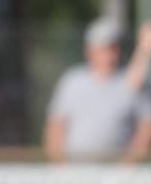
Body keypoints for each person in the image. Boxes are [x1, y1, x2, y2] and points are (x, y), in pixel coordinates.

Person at [44, 17, 151, 164]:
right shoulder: (73, 81)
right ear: (90, 50)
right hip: (76, 172)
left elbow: (146, 127)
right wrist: (59, 166)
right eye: (104, 47)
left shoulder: (129, 82)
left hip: (117, 176)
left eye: (114, 47)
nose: (110, 53)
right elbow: (56, 125)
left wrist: (129, 165)